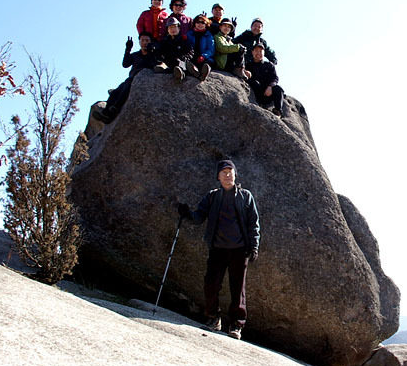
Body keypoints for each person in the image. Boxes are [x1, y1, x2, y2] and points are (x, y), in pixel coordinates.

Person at [177, 160, 260, 340]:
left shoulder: (245, 196)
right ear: (218, 176)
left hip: (239, 250)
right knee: (211, 284)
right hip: (218, 249)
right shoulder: (212, 197)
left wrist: (254, 246)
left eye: (230, 171)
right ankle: (214, 318)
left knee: (238, 289)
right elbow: (199, 217)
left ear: (235, 174)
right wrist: (187, 214)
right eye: (223, 172)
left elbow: (254, 223)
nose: (227, 175)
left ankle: (237, 325)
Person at [93, 34, 158, 123]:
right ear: (139, 42)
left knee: (127, 86)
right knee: (116, 92)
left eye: (147, 41)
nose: (144, 43)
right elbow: (125, 64)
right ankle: (106, 113)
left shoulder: (153, 55)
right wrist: (128, 49)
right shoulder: (136, 55)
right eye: (142, 41)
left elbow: (156, 64)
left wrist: (152, 52)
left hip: (142, 79)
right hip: (131, 78)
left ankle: (115, 108)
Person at [247, 42, 285, 117]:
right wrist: (245, 72)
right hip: (254, 93)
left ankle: (277, 111)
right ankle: (257, 103)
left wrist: (270, 86)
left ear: (264, 53)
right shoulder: (248, 64)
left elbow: (275, 78)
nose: (258, 53)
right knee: (254, 83)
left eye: (261, 51)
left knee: (278, 89)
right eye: (256, 51)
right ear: (252, 52)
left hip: (267, 92)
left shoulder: (269, 65)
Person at [154, 16, 193, 81]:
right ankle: (165, 69)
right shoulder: (164, 42)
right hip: (169, 62)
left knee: (180, 64)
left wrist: (182, 58)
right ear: (167, 30)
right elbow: (160, 53)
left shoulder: (184, 40)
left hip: (181, 62)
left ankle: (180, 74)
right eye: (170, 27)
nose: (173, 29)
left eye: (175, 27)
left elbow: (190, 52)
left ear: (179, 28)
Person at [186, 14, 215, 81]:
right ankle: (195, 72)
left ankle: (204, 73)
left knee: (207, 64)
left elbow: (211, 49)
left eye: (202, 22)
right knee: (188, 63)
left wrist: (203, 56)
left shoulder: (209, 36)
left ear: (206, 24)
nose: (200, 24)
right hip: (192, 57)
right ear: (194, 23)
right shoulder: (189, 34)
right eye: (198, 22)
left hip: (204, 58)